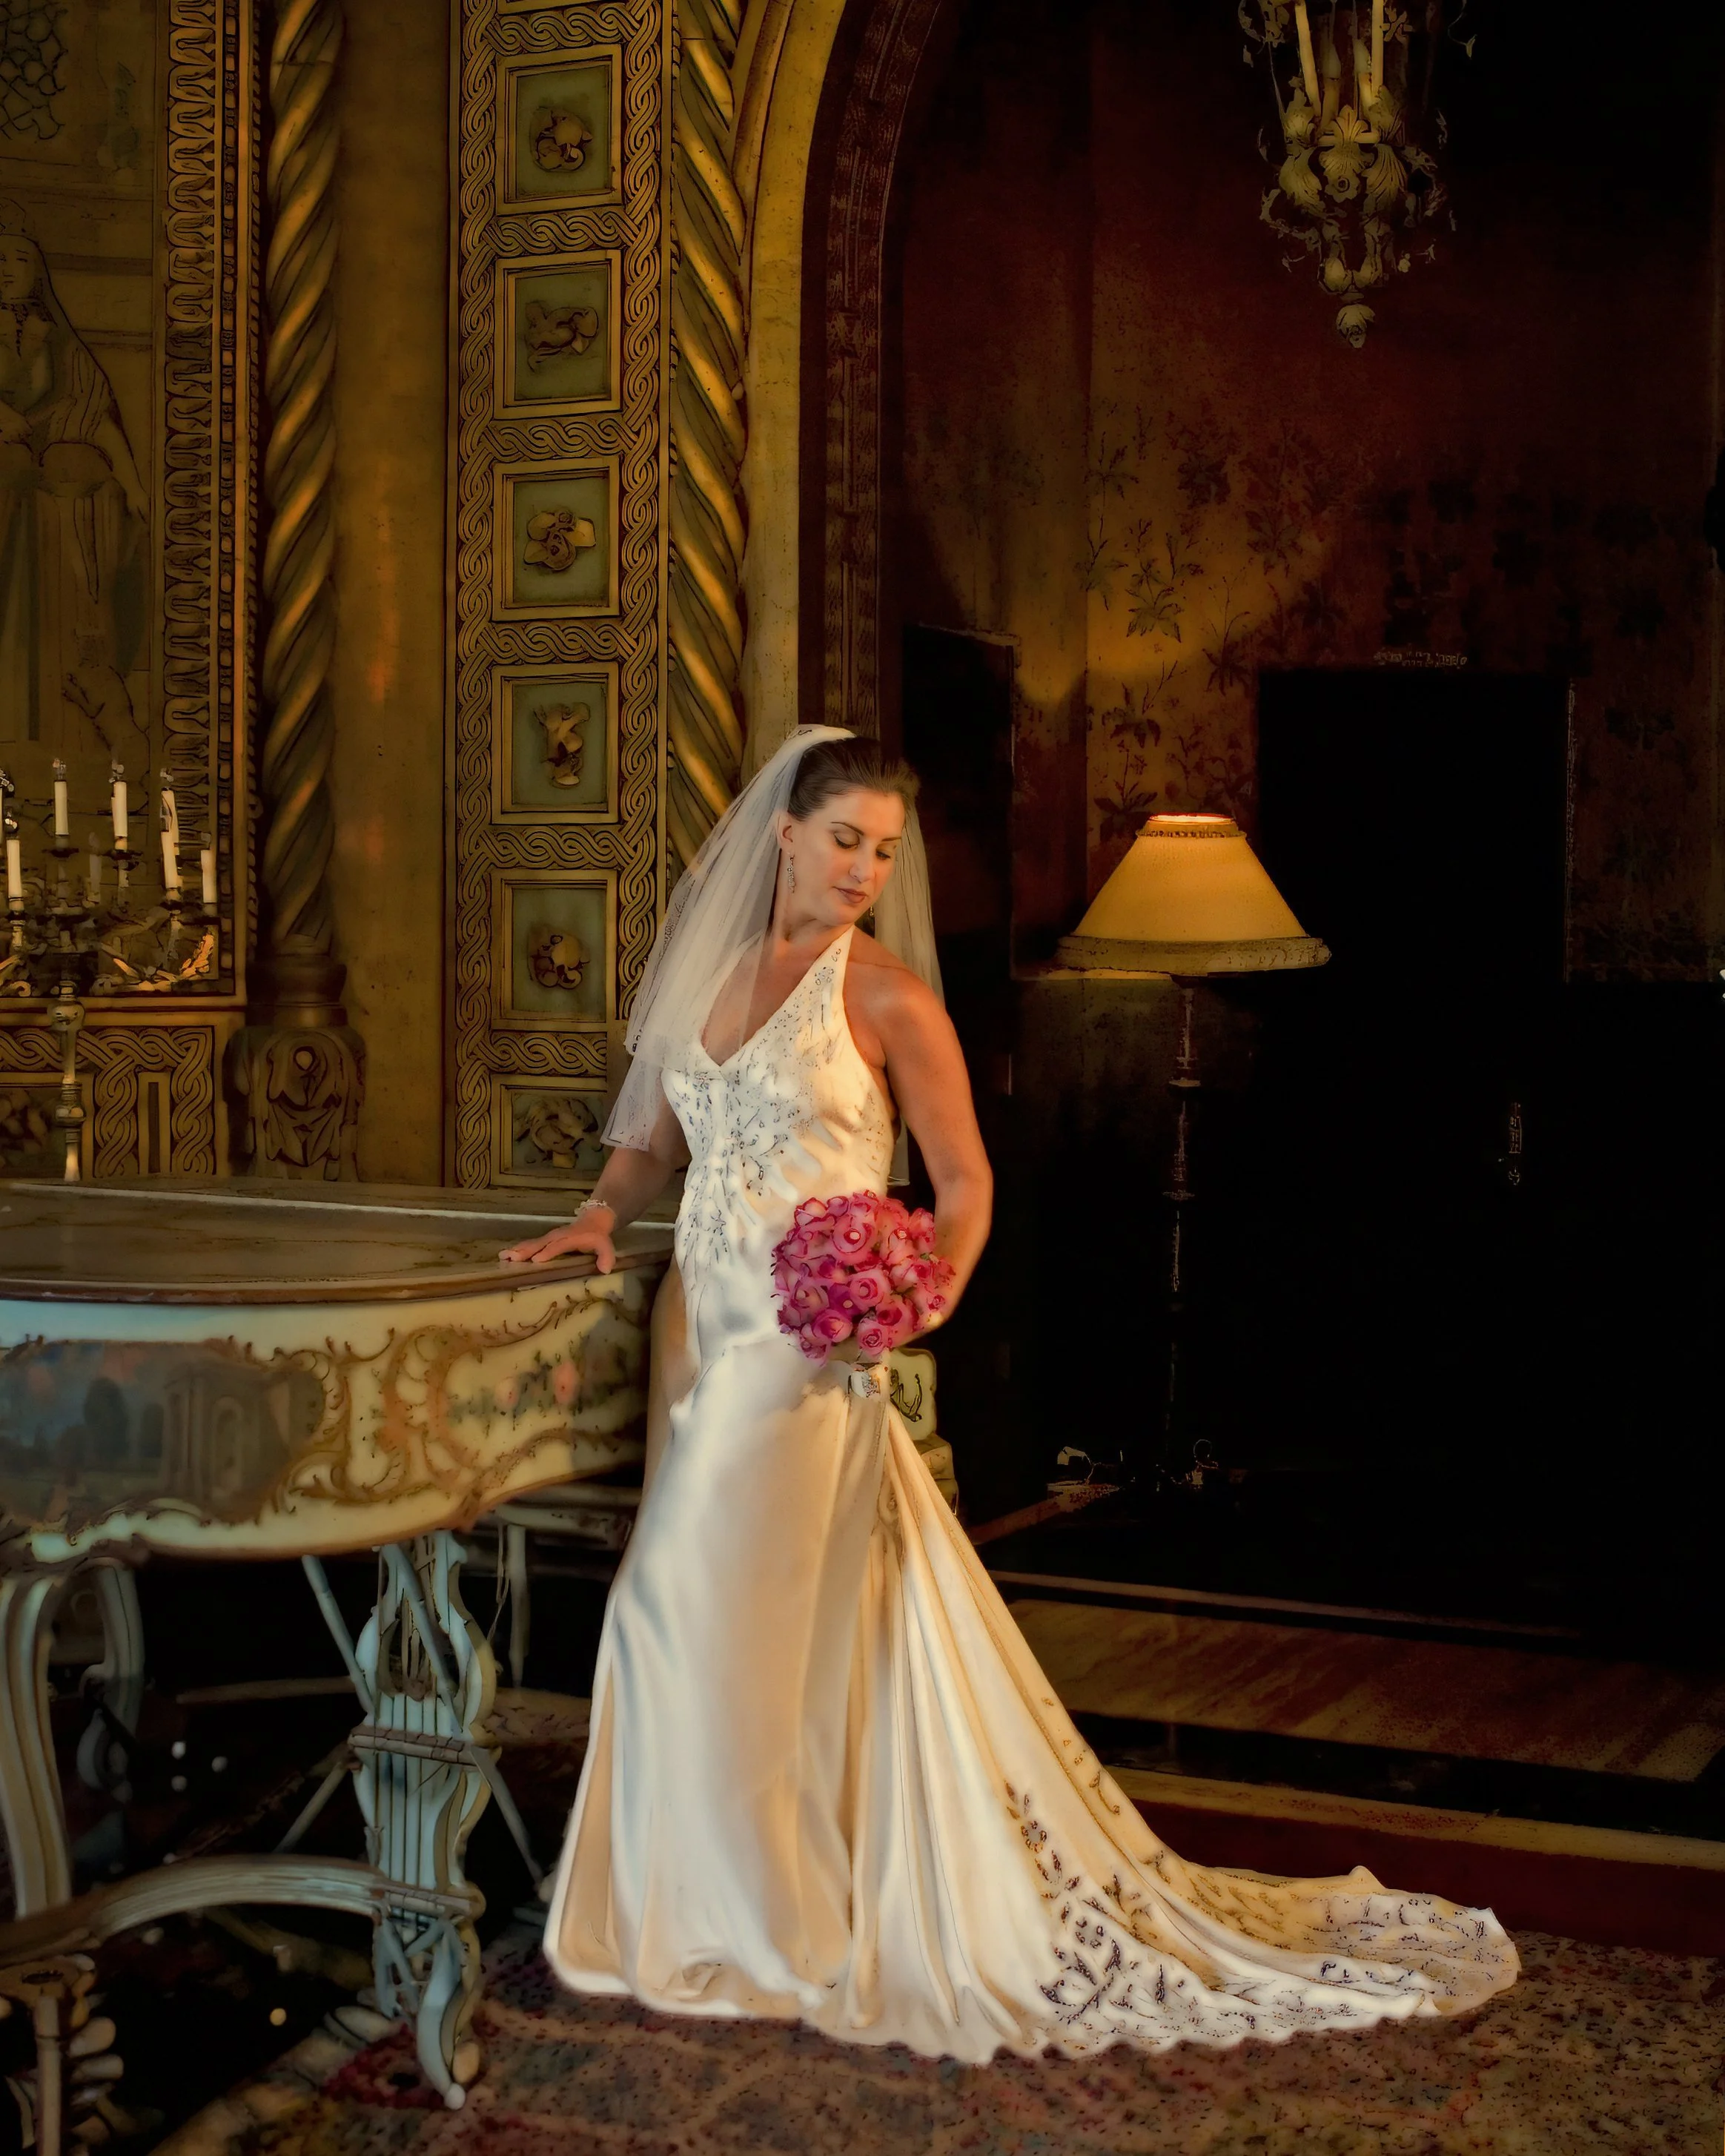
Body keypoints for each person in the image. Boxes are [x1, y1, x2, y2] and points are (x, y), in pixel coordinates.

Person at [503, 726, 1518, 2062]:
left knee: (670, 1610)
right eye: (846, 839)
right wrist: (594, 1215)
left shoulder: (887, 997)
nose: (867, 866)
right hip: (698, 1324)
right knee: (702, 1607)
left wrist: (917, 1296)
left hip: (808, 1352)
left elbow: (965, 1183)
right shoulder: (712, 971)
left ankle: (760, 1920)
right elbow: (657, 1137)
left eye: (886, 847)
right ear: (785, 836)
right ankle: (683, 1906)